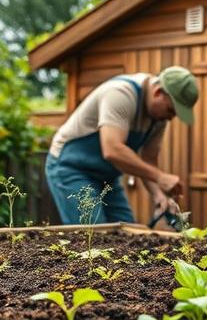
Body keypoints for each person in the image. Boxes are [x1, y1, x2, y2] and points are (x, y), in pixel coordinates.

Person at [44, 67, 198, 225]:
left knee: (126, 229)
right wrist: (160, 177)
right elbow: (112, 150)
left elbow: (149, 160)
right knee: (93, 232)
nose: (171, 118)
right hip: (71, 167)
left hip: (106, 176)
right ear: (158, 92)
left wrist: (159, 195)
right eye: (171, 110)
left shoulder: (159, 118)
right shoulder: (121, 94)